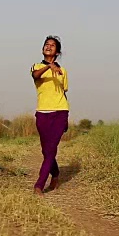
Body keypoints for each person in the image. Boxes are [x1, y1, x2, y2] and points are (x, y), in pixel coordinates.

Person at [30, 36, 69, 197]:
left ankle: (39, 185)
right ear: (42, 49)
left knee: (51, 149)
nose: (49, 47)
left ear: (57, 51)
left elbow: (63, 92)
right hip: (42, 113)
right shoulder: (37, 66)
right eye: (47, 44)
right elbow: (35, 76)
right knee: (46, 150)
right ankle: (56, 173)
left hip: (60, 112)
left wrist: (66, 119)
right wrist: (49, 67)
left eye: (53, 45)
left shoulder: (63, 71)